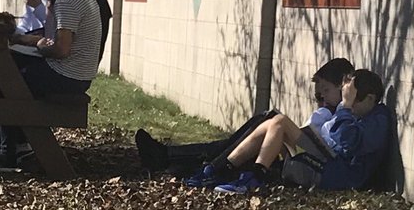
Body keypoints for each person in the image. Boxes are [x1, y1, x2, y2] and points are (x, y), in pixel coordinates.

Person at [0, 0, 103, 169]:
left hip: (67, 76)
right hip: (74, 74)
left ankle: (9, 153)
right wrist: (26, 41)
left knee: (7, 82)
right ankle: (19, 144)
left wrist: (36, 45)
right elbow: (54, 38)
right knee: (4, 73)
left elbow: (60, 49)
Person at [137, 57, 355, 176]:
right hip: (290, 153)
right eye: (319, 93)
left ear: (343, 87)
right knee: (241, 137)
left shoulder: (343, 117)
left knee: (263, 124)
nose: (321, 97)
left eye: (326, 91)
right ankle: (172, 158)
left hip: (299, 162)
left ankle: (170, 157)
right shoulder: (330, 112)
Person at [206, 69, 389, 196]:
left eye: (352, 100)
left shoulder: (378, 119)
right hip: (329, 159)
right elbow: (333, 135)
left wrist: (345, 108)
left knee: (281, 122)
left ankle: (254, 178)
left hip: (338, 174)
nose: (347, 105)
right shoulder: (357, 113)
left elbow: (348, 143)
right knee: (275, 121)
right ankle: (224, 168)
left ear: (370, 98)